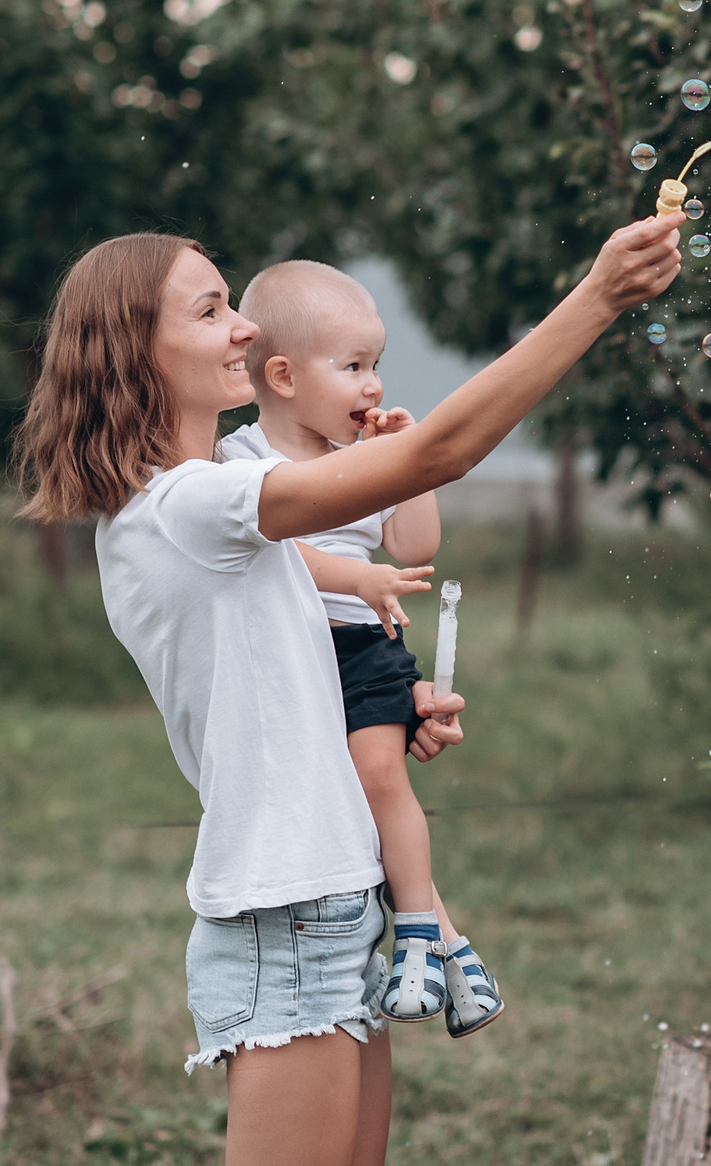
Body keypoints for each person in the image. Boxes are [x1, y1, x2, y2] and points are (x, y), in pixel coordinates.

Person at [15, 215, 680, 1166]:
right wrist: (600, 296)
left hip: (333, 898)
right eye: (210, 311)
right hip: (288, 916)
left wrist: (383, 711)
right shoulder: (190, 504)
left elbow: (276, 671)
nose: (245, 327)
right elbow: (436, 453)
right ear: (136, 351)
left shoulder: (212, 497)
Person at [217, 260, 499, 1037]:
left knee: (378, 778)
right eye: (352, 366)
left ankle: (416, 935)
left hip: (362, 649)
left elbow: (415, 544)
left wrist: (409, 468)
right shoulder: (239, 462)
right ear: (283, 375)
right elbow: (270, 552)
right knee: (347, 809)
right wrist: (357, 576)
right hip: (289, 656)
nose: (373, 384)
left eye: (376, 364)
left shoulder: (368, 455)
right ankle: (455, 951)